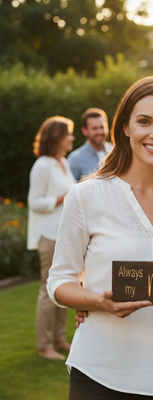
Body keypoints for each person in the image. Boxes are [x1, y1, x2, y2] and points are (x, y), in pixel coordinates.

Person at [47, 76, 153, 399]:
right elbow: (59, 282)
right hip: (101, 375)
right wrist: (96, 301)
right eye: (145, 121)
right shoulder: (86, 195)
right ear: (126, 127)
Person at [27, 116, 76, 360]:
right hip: (49, 236)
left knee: (63, 287)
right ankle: (45, 346)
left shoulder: (64, 163)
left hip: (64, 235)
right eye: (68, 133)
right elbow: (34, 202)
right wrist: (61, 198)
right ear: (56, 137)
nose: (72, 138)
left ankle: (58, 339)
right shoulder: (42, 165)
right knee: (47, 291)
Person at [67, 108, 113, 181]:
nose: (99, 132)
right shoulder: (75, 159)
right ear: (85, 131)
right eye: (94, 128)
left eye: (102, 127)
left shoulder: (117, 152)